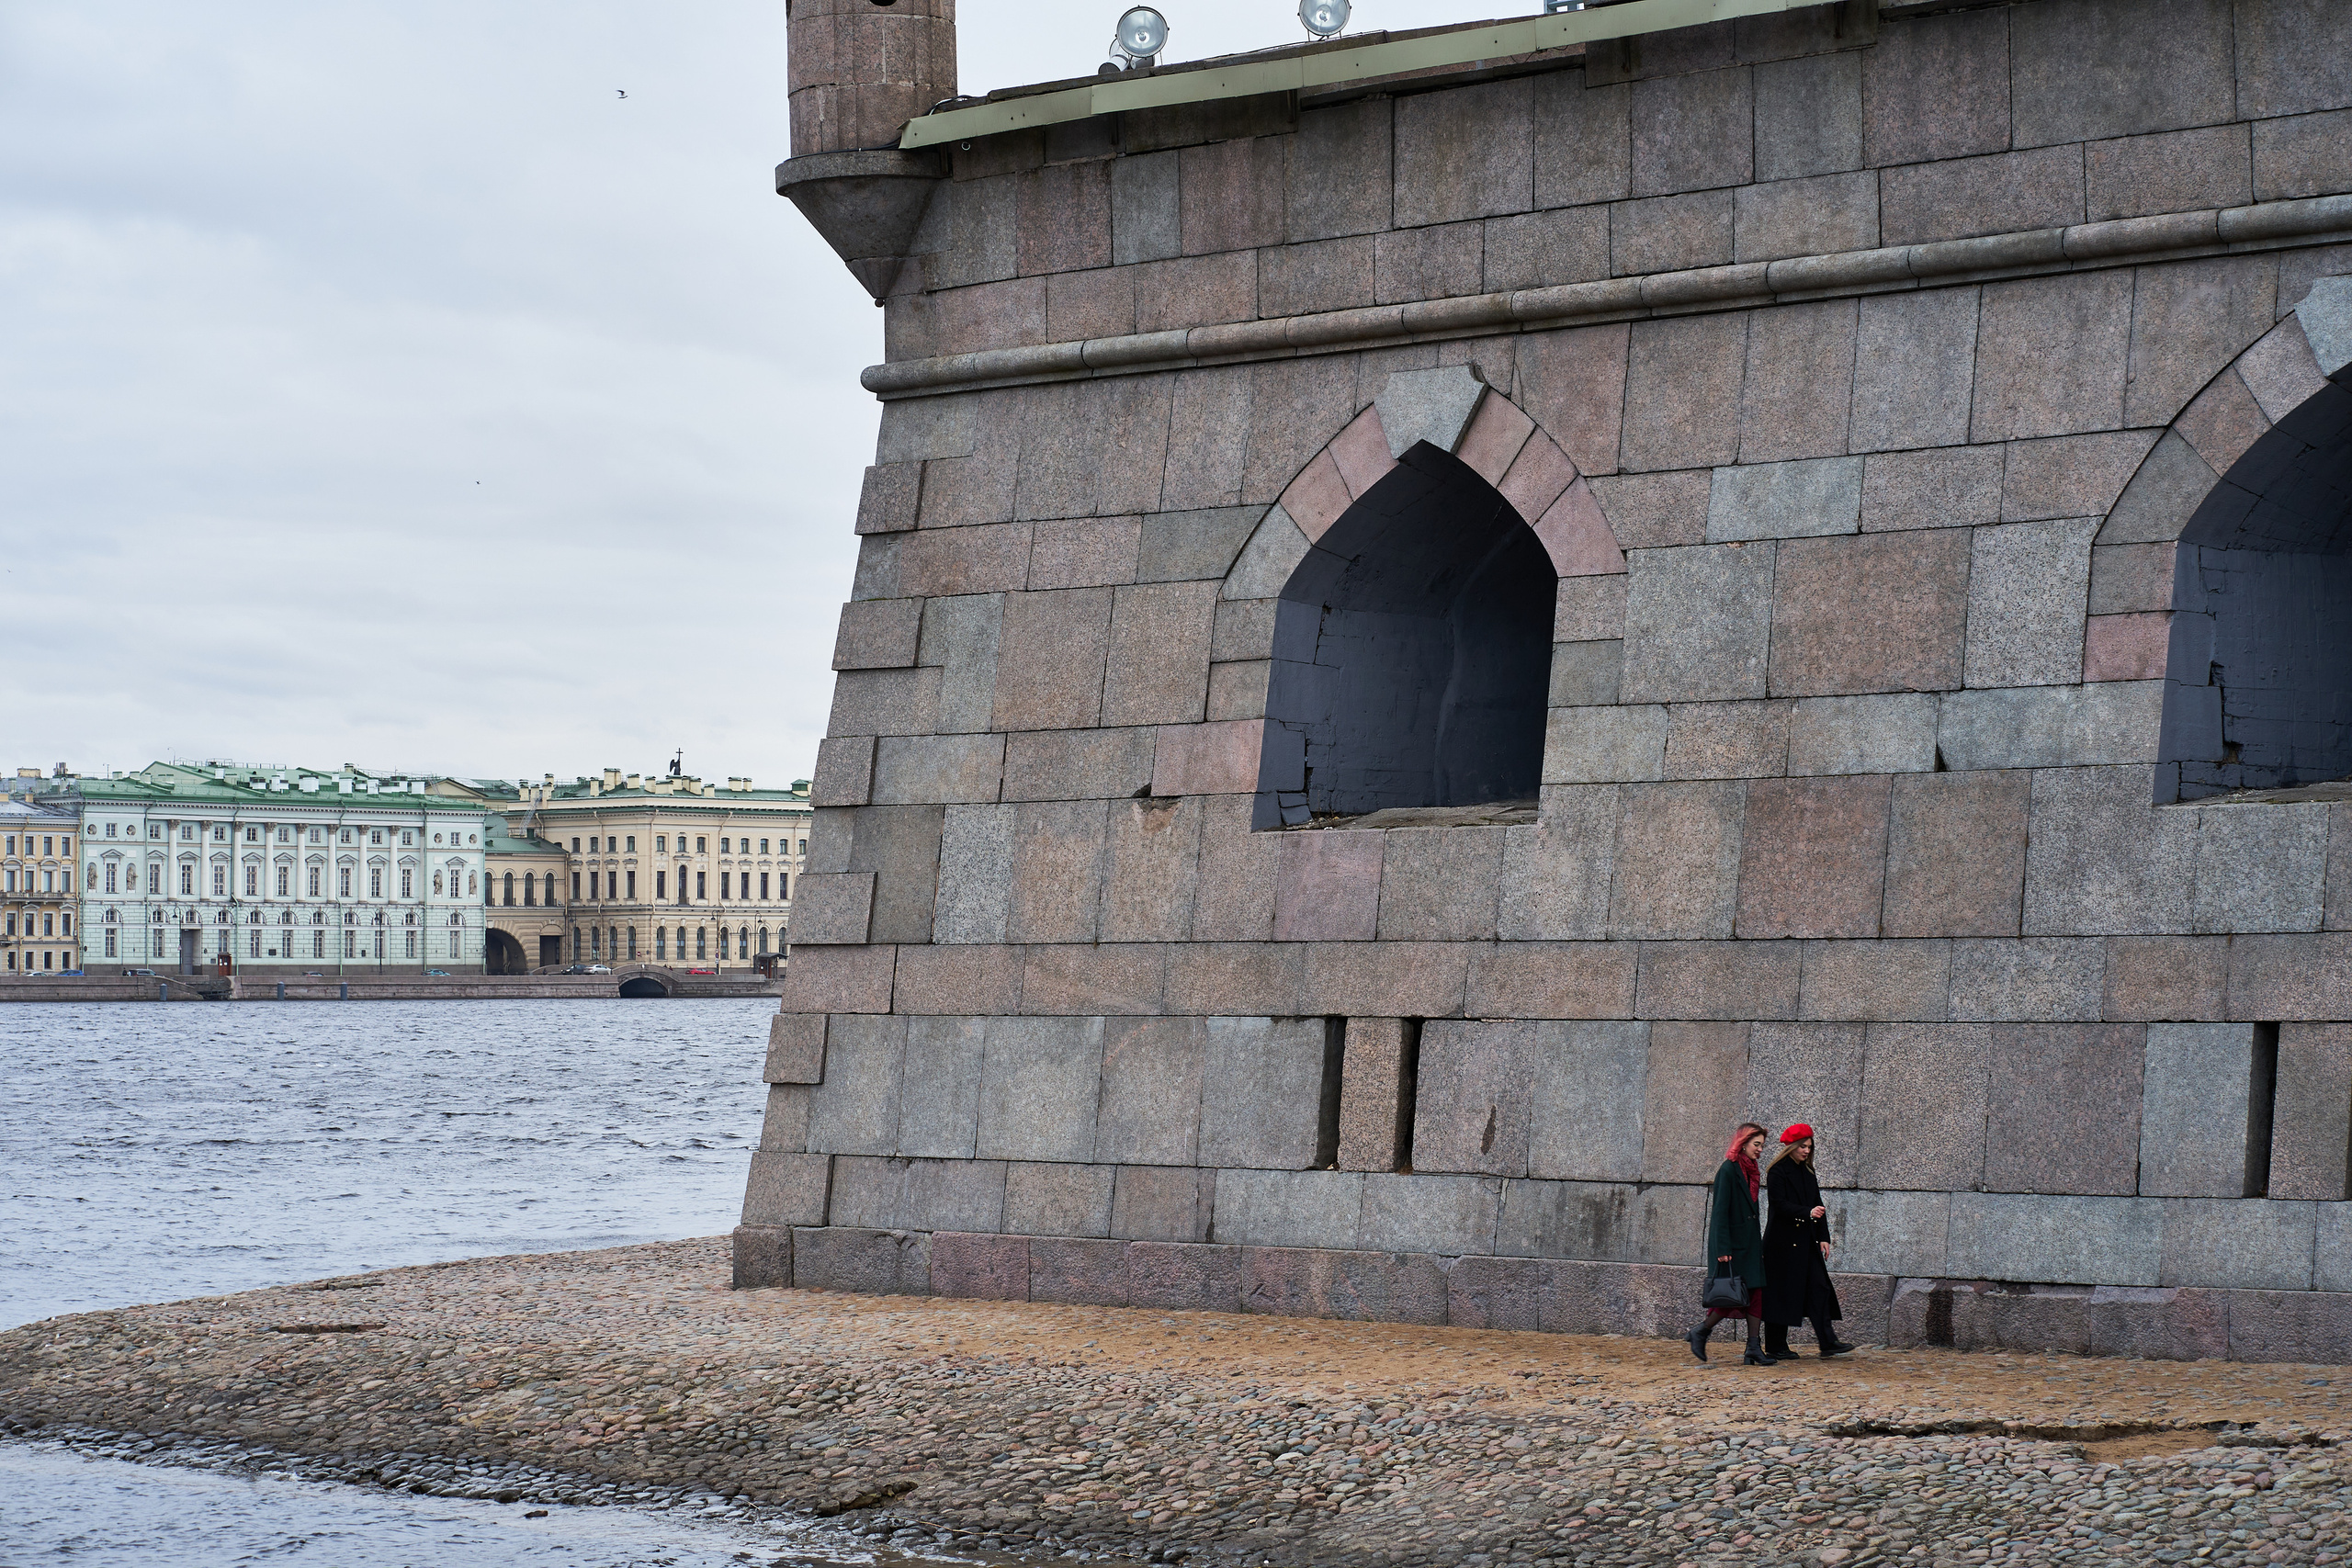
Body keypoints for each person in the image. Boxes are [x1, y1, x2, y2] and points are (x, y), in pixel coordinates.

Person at [1763, 1123, 1855, 1359]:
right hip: (1782, 1244)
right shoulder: (1777, 1171)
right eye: (1802, 1146)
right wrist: (1806, 1213)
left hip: (1806, 1242)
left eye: (1809, 1147)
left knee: (1820, 1288)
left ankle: (1828, 1342)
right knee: (1781, 1293)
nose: (1806, 1151)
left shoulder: (1808, 1172)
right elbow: (1779, 1204)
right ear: (1791, 1147)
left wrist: (1824, 1237)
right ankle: (1775, 1345)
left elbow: (1818, 1204)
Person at [1688, 1122, 1775, 1366]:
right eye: (1756, 1144)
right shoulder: (1728, 1170)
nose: (1759, 1150)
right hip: (1732, 1248)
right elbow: (1719, 1213)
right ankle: (1701, 1331)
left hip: (1749, 1246)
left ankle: (1753, 1348)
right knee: (1732, 1296)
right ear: (1743, 1143)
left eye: (1761, 1146)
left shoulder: (1752, 1170)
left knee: (1755, 1294)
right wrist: (1723, 1250)